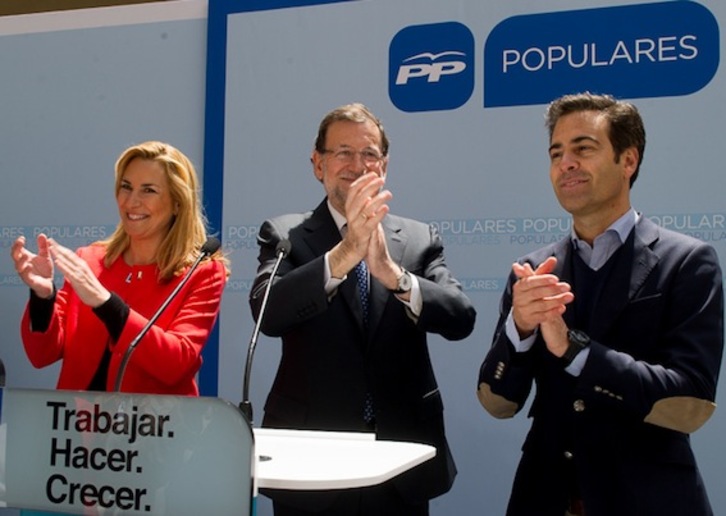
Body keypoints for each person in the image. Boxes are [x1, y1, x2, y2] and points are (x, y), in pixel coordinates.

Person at [477, 92, 724, 516]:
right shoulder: (532, 271)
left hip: (649, 499)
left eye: (583, 149)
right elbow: (497, 400)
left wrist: (576, 353)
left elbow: (691, 403)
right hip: (544, 496)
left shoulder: (687, 262)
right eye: (556, 153)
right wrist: (518, 332)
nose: (566, 163)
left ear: (628, 161)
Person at [250, 102, 476, 516]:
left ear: (383, 167)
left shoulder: (417, 238)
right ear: (318, 164)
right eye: (343, 152)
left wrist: (395, 276)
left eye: (369, 154)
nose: (357, 164)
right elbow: (268, 312)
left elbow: (461, 317)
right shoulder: (286, 234)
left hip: (400, 458)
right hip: (310, 462)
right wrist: (345, 253)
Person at [11, 141, 228, 395]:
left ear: (178, 203)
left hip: (156, 429)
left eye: (148, 190)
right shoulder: (89, 260)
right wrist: (42, 297)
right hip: (79, 428)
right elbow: (41, 355)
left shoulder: (203, 273)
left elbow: (175, 364)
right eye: (126, 187)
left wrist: (105, 303)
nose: (132, 201)